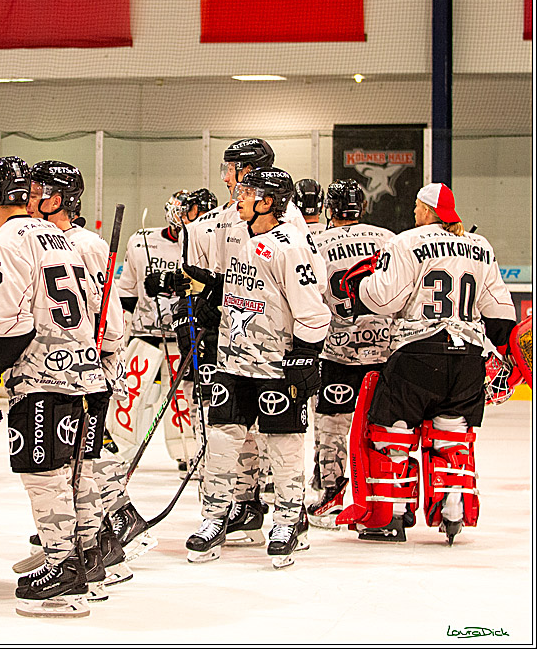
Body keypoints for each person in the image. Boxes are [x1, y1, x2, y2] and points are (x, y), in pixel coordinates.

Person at [337, 183, 516, 545]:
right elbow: (500, 312)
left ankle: (392, 515)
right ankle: (453, 509)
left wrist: (362, 285)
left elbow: (384, 299)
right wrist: (506, 353)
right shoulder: (480, 247)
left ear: (427, 211)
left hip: (417, 355)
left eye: (418, 207)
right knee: (451, 435)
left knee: (392, 434)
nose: (414, 212)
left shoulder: (407, 242)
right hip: (468, 359)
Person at [0, 156, 106, 618]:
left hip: (43, 376)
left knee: (45, 474)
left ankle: (62, 568)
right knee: (79, 472)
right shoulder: (61, 236)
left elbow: (12, 325)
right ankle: (87, 559)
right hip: (85, 371)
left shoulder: (3, 243)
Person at [183, 167, 330, 569]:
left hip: (275, 365)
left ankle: (288, 521)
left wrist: (306, 353)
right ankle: (214, 517)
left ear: (268, 202)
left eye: (248, 193)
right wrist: (212, 298)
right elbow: (239, 284)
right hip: (233, 362)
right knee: (221, 441)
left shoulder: (290, 245)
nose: (239, 198)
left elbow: (313, 307)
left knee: (283, 445)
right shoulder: (240, 236)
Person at [26, 160, 131, 592]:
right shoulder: (38, 239)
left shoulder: (86, 244)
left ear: (59, 199)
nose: (29, 199)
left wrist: (104, 361)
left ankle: (107, 535)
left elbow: (109, 312)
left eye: (38, 193)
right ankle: (81, 543)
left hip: (90, 365)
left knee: (82, 461)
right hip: (62, 367)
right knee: (68, 461)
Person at [304, 180, 394, 528]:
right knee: (382, 428)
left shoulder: (316, 243)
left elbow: (309, 296)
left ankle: (332, 493)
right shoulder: (388, 238)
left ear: (330, 208)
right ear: (363, 207)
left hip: (337, 352)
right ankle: (383, 495)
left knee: (331, 426)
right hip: (383, 352)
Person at [112, 190, 201, 483]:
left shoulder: (202, 243)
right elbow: (127, 290)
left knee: (181, 399)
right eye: (191, 212)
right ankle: (121, 450)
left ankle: (187, 452)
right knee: (131, 393)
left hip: (182, 335)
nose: (194, 219)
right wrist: (120, 332)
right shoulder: (141, 241)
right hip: (145, 333)